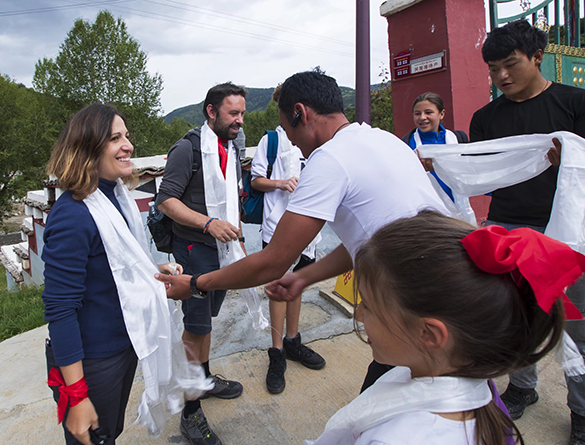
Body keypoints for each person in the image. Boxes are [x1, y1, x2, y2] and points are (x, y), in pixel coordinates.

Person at [155, 70, 449, 393]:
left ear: (300, 113)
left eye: (288, 129)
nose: (291, 141)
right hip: (447, 288)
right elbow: (366, 241)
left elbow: (274, 261)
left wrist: (196, 284)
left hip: (413, 307)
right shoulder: (384, 139)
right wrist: (303, 278)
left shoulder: (329, 159)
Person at [306, 210, 585, 445]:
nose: (359, 314)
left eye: (367, 305)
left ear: (429, 334)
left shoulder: (399, 438)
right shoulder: (478, 391)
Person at [469, 19, 585, 440]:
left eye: (510, 65)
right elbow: (483, 172)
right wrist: (444, 163)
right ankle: (521, 387)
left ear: (538, 58)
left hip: (567, 231)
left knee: (574, 324)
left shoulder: (576, 105)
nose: (501, 76)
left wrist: (568, 160)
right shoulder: (486, 118)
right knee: (514, 316)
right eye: (493, 68)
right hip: (508, 226)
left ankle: (582, 412)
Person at [42, 104, 185, 445]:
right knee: (94, 438)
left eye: (127, 136)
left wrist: (152, 271)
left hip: (126, 343)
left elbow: (117, 265)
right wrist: (76, 395)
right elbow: (60, 310)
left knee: (110, 432)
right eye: (115, 138)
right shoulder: (72, 216)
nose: (129, 145)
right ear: (87, 148)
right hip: (94, 358)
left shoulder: (116, 197)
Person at [156, 82, 247, 445]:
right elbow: (166, 201)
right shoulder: (187, 148)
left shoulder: (230, 144)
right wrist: (208, 223)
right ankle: (190, 415)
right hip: (195, 250)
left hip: (223, 251)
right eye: (233, 114)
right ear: (211, 112)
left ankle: (204, 380)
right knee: (195, 328)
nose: (240, 120)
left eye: (242, 113)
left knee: (205, 323)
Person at [250, 85, 325, 395]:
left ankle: (294, 341)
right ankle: (277, 350)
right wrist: (280, 183)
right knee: (278, 290)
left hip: (310, 231)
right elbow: (255, 180)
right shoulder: (271, 140)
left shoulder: (314, 140)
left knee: (297, 284)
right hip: (278, 227)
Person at [401, 92, 468, 202]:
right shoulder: (406, 145)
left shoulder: (458, 139)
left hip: (458, 208)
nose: (422, 117)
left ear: (441, 114)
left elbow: (471, 172)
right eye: (417, 113)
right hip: (424, 210)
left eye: (428, 112)